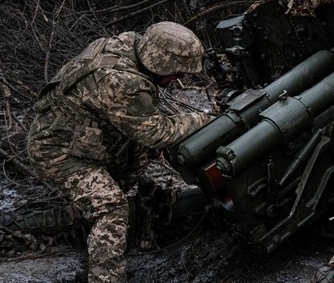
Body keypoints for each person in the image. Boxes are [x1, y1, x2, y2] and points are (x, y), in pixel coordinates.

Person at [26, 21, 213, 283]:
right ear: (159, 62)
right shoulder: (123, 82)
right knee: (112, 208)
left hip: (81, 139)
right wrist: (204, 120)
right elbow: (156, 133)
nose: (177, 80)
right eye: (176, 73)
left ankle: (74, 222)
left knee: (132, 169)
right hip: (59, 152)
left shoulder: (126, 45)